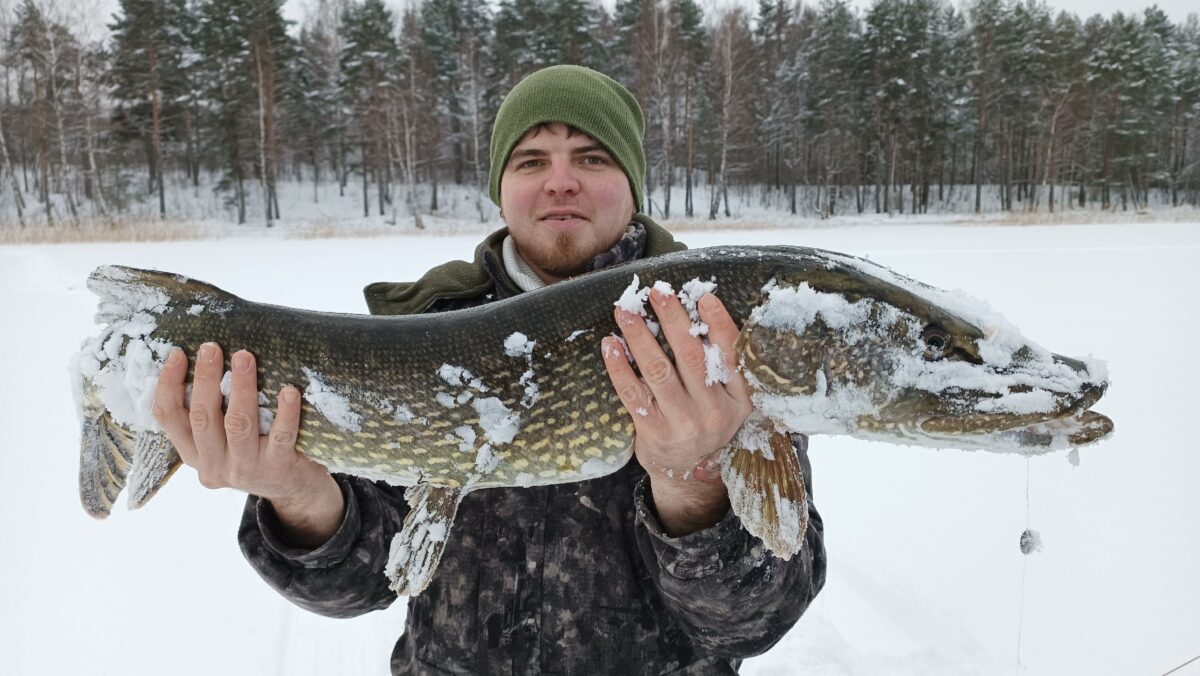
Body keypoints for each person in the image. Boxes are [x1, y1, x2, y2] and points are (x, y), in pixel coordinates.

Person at [152, 65, 826, 674]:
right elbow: (365, 583)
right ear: (501, 188)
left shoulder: (708, 326)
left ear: (633, 182)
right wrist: (298, 498)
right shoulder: (421, 329)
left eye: (590, 156)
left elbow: (752, 620)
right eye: (531, 160)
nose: (560, 179)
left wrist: (694, 485)